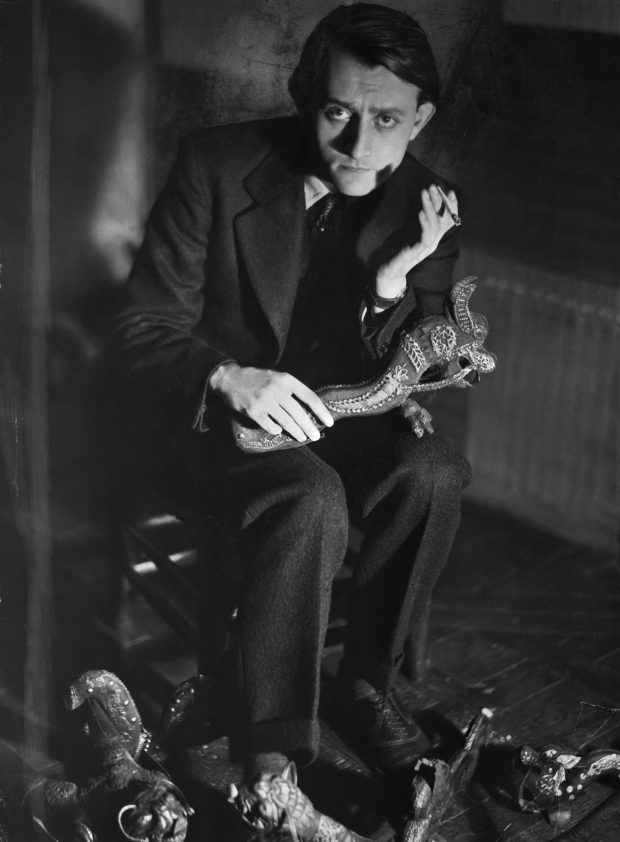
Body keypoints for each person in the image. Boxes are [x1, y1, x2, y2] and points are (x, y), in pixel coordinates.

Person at [116, 2, 470, 794]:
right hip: (207, 424)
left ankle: (367, 685)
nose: (359, 145)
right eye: (338, 112)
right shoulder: (215, 164)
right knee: (310, 497)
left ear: (421, 118)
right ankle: (271, 744)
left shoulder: (429, 205)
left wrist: (391, 285)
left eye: (388, 119)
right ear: (304, 93)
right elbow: (140, 325)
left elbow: (432, 347)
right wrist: (226, 376)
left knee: (435, 472)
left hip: (340, 414)